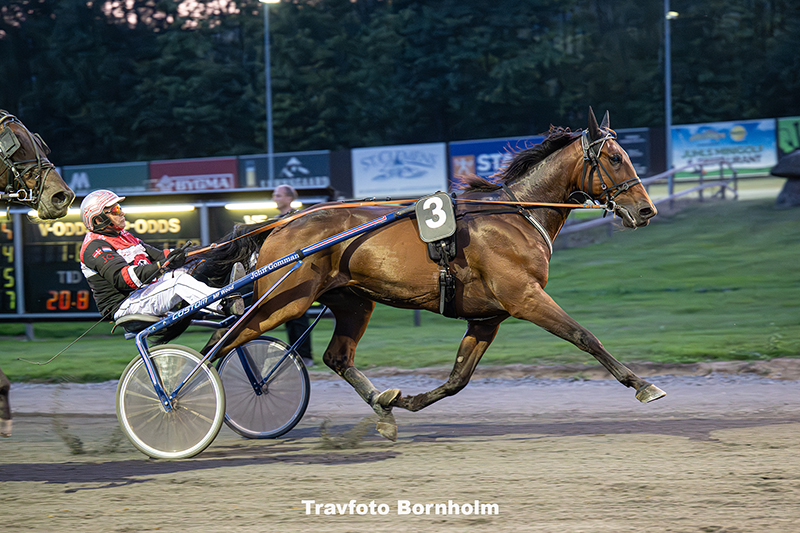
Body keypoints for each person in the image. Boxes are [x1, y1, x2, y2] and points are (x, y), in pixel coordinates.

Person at [79, 189, 244, 322]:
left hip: (144, 292)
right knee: (179, 282)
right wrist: (163, 265)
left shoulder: (124, 236)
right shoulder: (95, 246)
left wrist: (205, 250)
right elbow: (124, 279)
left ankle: (225, 287)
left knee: (191, 267)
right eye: (115, 210)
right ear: (99, 220)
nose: (122, 213)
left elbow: (160, 255)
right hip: (124, 304)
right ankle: (223, 304)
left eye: (120, 208)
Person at [272, 184, 314, 367]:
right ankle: (295, 354)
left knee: (299, 315)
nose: (275, 198)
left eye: (279, 195)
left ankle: (306, 356)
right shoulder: (275, 219)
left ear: (289, 198)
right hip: (283, 274)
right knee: (288, 316)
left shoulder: (298, 217)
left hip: (298, 272)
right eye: (274, 195)